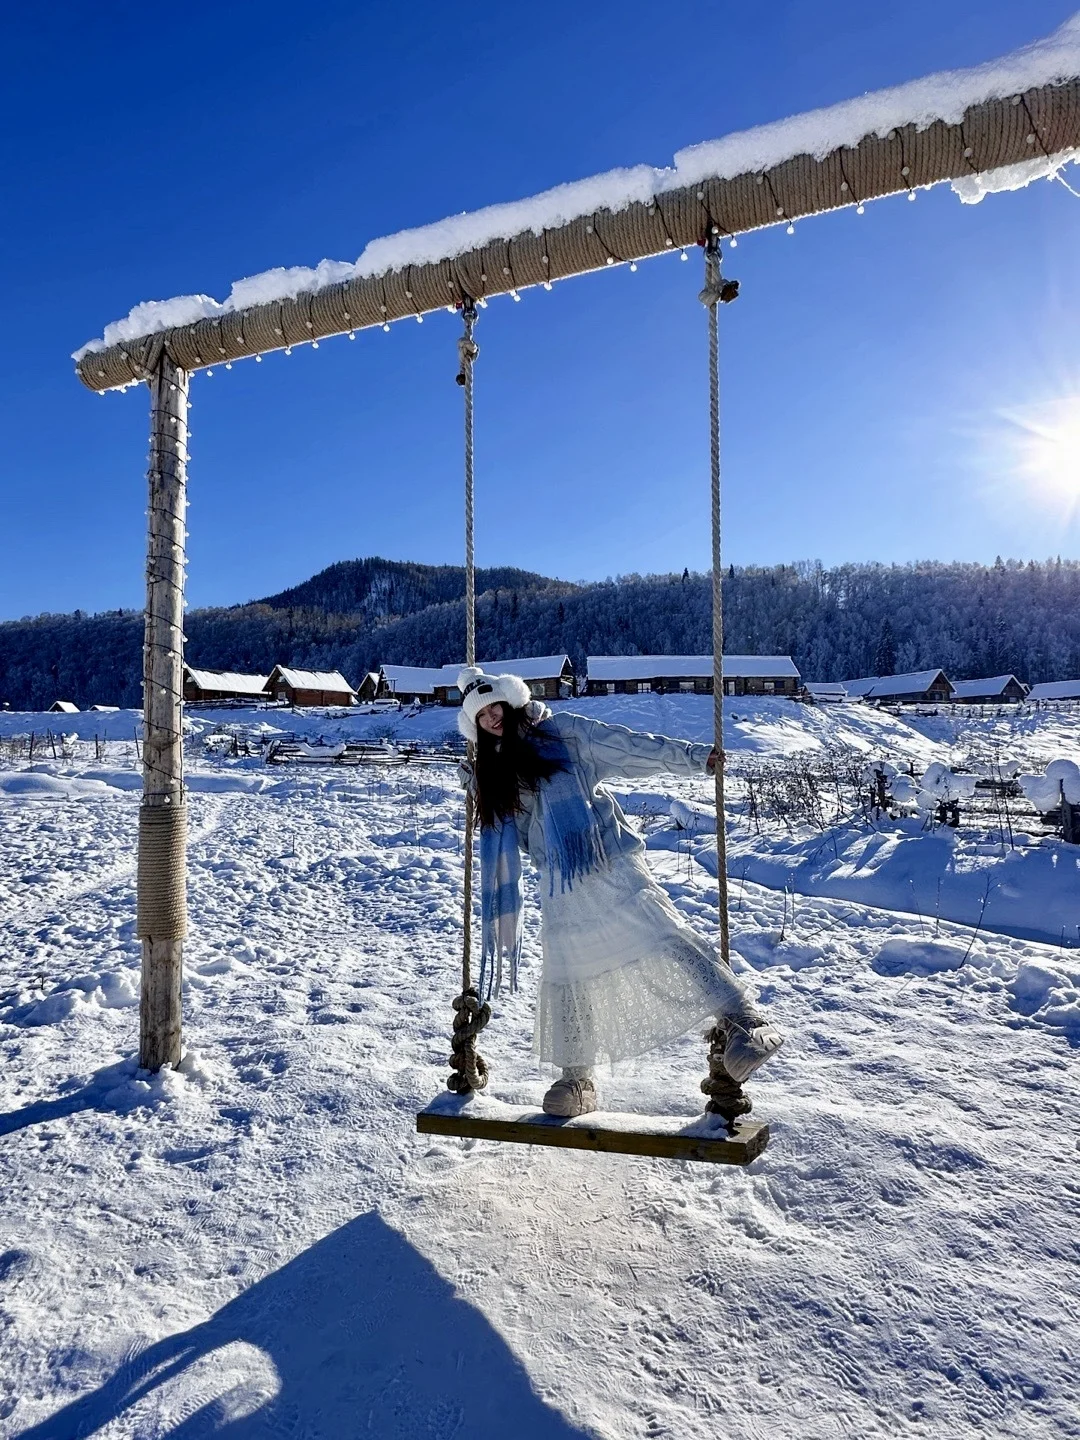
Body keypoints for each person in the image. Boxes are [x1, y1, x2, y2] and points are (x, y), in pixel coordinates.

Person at [456, 666, 783, 1119]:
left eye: (496, 706)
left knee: (663, 937)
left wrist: (691, 758)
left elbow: (627, 747)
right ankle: (577, 1079)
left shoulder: (561, 732)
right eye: (481, 714)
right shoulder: (491, 767)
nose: (492, 717)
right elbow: (515, 831)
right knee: (569, 975)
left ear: (512, 702)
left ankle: (745, 1021)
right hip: (559, 881)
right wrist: (480, 788)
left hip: (607, 861)